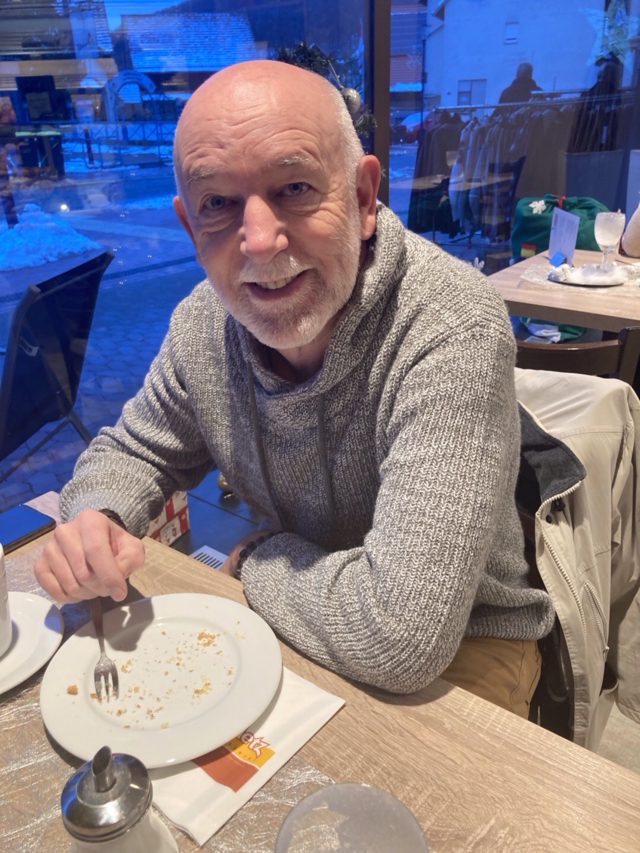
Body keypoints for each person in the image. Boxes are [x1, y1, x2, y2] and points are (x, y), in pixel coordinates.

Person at [34, 60, 554, 717]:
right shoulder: (203, 325)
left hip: (464, 645)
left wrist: (257, 555)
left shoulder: (450, 325)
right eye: (218, 203)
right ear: (191, 228)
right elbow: (135, 450)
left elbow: (402, 637)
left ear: (363, 198)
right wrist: (97, 517)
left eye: (296, 187)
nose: (259, 241)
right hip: (301, 608)